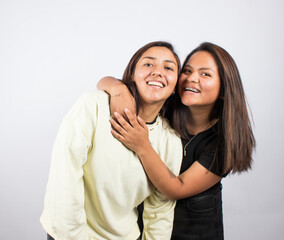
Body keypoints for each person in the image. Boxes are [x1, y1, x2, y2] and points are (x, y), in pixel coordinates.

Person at [97, 42, 256, 239]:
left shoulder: (225, 142)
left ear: (224, 89)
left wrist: (142, 145)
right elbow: (105, 81)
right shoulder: (166, 105)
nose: (192, 78)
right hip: (148, 226)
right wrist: (117, 89)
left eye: (205, 74)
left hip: (194, 233)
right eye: (187, 71)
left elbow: (177, 188)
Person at [40, 41, 184, 240]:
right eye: (148, 64)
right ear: (132, 74)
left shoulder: (170, 142)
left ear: (176, 86)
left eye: (168, 68)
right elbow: (64, 179)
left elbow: (160, 213)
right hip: (70, 235)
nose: (158, 72)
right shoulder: (93, 106)